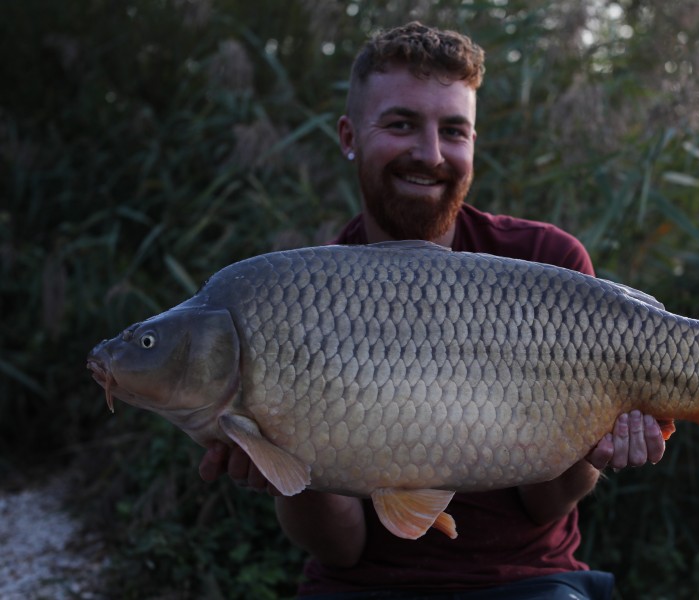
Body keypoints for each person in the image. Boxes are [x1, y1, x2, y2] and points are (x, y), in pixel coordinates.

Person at [199, 22, 666, 599]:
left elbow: (544, 502)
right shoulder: (301, 295)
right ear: (349, 135)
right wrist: (283, 470)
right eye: (401, 124)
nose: (430, 153)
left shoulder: (547, 264)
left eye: (454, 131)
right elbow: (341, 547)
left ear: (473, 142)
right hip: (361, 586)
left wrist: (600, 449)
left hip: (527, 581)